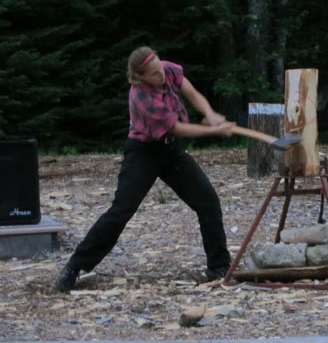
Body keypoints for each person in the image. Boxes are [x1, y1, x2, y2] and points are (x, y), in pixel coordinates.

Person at [55, 46, 236, 292]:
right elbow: (177, 128)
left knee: (208, 201)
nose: (161, 75)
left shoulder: (168, 70)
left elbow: (193, 94)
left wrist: (210, 114)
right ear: (139, 77)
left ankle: (219, 267)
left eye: (160, 67)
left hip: (171, 151)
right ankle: (75, 266)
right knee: (121, 211)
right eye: (154, 73)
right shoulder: (141, 97)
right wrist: (214, 131)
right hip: (143, 153)